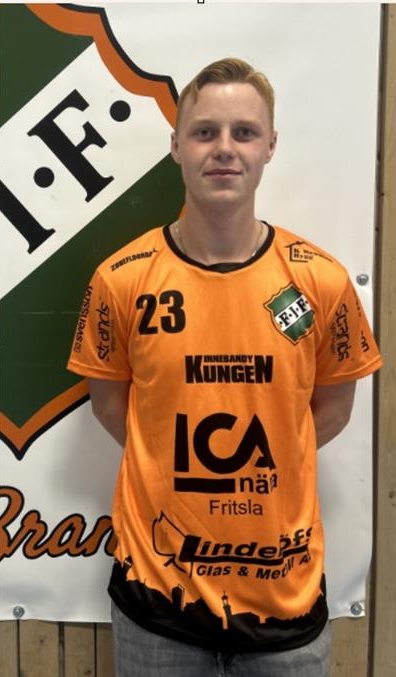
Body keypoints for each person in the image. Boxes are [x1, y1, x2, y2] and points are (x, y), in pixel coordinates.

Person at [67, 58, 382, 677]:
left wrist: (275, 456)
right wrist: (164, 464)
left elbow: (334, 408)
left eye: (244, 132)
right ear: (177, 146)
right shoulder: (120, 280)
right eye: (205, 131)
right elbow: (109, 405)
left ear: (270, 147)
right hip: (158, 603)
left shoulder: (320, 280)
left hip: (284, 604)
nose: (224, 149)